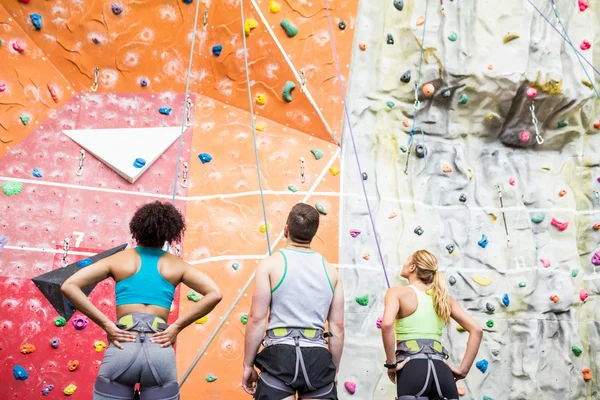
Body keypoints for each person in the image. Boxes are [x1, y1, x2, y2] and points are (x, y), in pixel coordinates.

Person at [61, 201, 222, 400]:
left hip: (123, 347)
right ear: (169, 234)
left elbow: (69, 286)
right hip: (159, 349)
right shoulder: (177, 266)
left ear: (137, 229)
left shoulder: (118, 260)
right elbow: (215, 293)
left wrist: (106, 324)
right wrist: (177, 327)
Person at [242, 203, 345, 400]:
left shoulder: (270, 265)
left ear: (286, 229)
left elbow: (257, 318)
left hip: (280, 357)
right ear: (313, 234)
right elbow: (337, 327)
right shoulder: (332, 272)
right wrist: (334, 369)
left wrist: (248, 365)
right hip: (317, 358)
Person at [381, 250, 482, 400]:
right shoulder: (444, 299)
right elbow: (477, 330)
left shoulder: (396, 293)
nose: (404, 263)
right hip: (442, 372)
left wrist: (391, 364)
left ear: (412, 267)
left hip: (413, 370)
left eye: (407, 259)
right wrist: (463, 370)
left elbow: (387, 324)